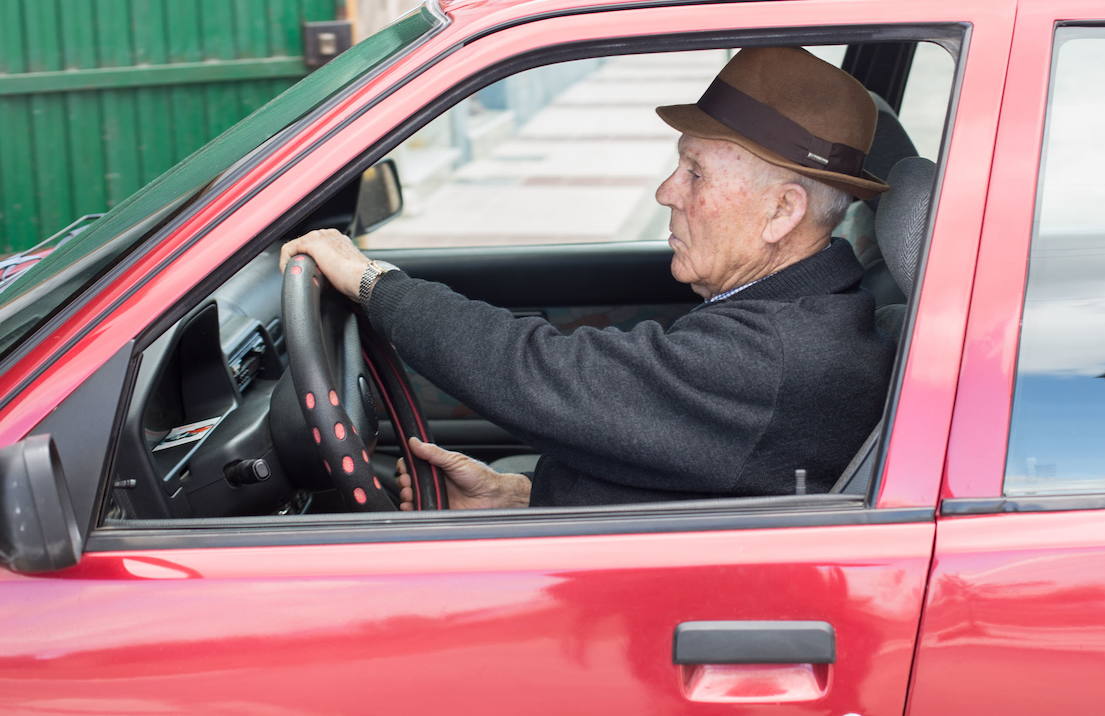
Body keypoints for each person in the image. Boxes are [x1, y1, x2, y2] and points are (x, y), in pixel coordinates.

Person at [281, 46, 896, 509]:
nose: (665, 191)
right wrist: (518, 496)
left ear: (782, 212)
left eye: (696, 173)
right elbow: (692, 488)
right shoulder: (791, 315)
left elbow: (544, 375)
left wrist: (371, 282)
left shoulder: (778, 356)